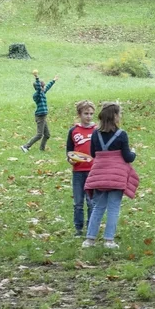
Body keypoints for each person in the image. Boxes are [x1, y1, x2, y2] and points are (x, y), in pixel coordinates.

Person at [82, 103, 138, 249]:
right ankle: (109, 240)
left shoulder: (95, 134)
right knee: (113, 208)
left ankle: (89, 239)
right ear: (114, 117)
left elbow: (93, 154)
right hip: (116, 177)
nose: (120, 116)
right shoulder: (122, 135)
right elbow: (127, 157)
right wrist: (134, 153)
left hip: (99, 175)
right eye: (119, 114)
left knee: (98, 207)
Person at [64, 101, 97, 237]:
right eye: (86, 114)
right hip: (78, 171)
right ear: (79, 114)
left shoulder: (96, 131)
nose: (88, 117)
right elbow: (69, 151)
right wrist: (70, 159)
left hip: (93, 171)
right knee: (78, 202)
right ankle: (78, 228)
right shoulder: (73, 131)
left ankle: (91, 227)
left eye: (91, 114)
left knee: (91, 202)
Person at [21, 71, 56, 152]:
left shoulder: (42, 93)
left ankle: (42, 149)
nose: (44, 88)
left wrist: (53, 80)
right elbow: (40, 88)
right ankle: (25, 146)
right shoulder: (37, 95)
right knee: (39, 134)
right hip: (40, 116)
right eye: (42, 87)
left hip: (43, 116)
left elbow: (48, 87)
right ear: (39, 87)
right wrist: (36, 77)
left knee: (47, 135)